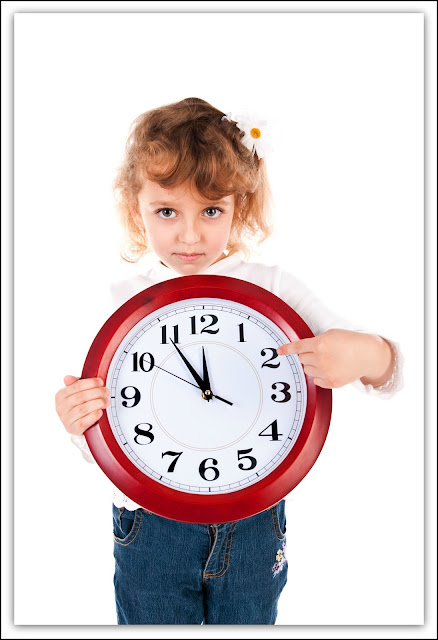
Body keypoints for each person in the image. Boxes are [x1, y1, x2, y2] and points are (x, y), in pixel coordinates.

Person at [55, 97, 403, 625]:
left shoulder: (275, 290)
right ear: (135, 208)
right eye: (167, 211)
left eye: (211, 211)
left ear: (240, 205)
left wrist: (367, 353)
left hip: (254, 522)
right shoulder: (121, 305)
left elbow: (390, 372)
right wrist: (78, 423)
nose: (190, 235)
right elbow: (107, 437)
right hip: (150, 526)